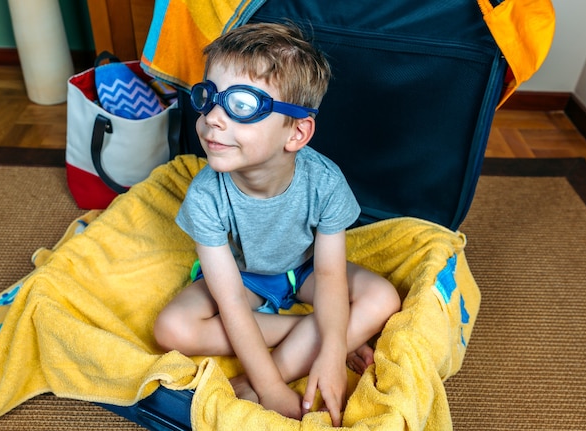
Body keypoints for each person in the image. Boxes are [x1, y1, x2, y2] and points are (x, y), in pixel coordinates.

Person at [154, 22, 401, 427]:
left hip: (306, 271)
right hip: (244, 277)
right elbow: (231, 299)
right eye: (209, 98)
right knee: (171, 328)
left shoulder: (324, 182)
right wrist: (283, 381)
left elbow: (329, 273)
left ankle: (268, 372)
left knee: (383, 297)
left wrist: (326, 353)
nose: (213, 118)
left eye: (242, 106)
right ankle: (311, 331)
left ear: (297, 132)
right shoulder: (205, 195)